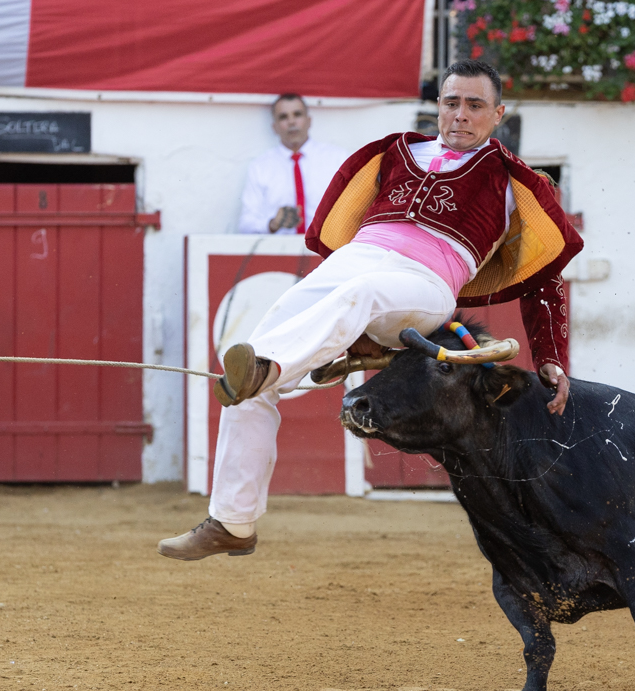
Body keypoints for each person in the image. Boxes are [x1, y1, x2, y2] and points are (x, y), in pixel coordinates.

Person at [159, 60, 583, 561]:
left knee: (344, 306)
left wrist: (552, 354)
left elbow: (544, 277)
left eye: (475, 105)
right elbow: (345, 228)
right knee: (249, 366)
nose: (461, 115)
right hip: (356, 262)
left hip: (425, 284)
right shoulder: (397, 152)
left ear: (498, 113)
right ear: (438, 107)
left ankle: (282, 364)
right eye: (452, 103)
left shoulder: (516, 184)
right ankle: (232, 520)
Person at [237, 93, 348, 235]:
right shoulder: (260, 167)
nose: (291, 122)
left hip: (329, 251)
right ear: (274, 127)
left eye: (297, 114)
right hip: (280, 252)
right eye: (283, 117)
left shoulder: (338, 158)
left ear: (309, 121)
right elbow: (246, 224)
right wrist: (273, 224)